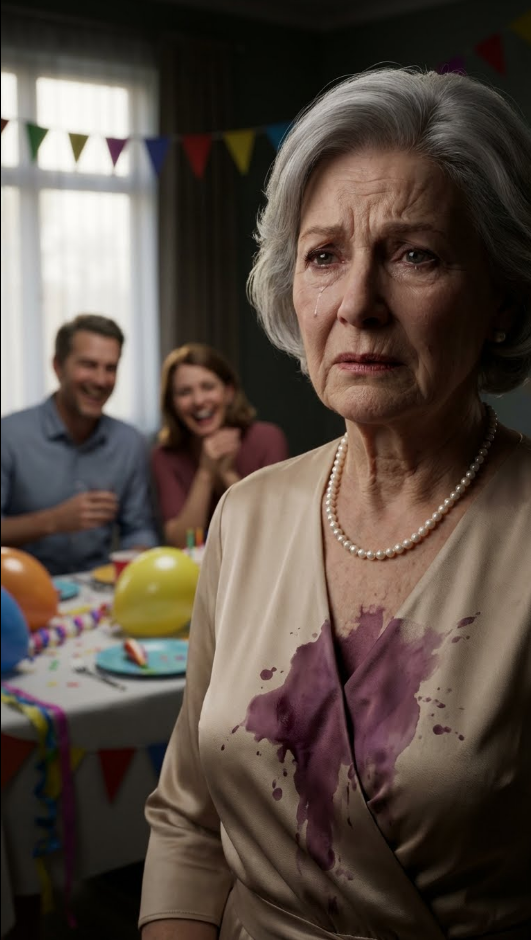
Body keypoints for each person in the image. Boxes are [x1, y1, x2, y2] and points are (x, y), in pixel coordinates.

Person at [139, 68, 531, 939]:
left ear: (500, 294)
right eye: (323, 257)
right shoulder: (246, 515)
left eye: (413, 254)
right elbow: (187, 819)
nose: (357, 304)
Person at [1, 314, 158, 576]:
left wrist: (137, 556)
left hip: (98, 595)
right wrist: (53, 521)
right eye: (88, 365)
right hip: (18, 596)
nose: (100, 380)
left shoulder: (130, 442)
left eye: (110, 368)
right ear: (58, 366)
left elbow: (138, 528)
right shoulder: (8, 435)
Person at [151, 343, 288, 548]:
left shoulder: (267, 439)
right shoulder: (164, 455)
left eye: (207, 387)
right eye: (184, 392)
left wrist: (227, 473)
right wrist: (205, 473)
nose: (198, 400)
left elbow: (273, 528)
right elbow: (181, 542)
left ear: (229, 392)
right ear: (172, 404)